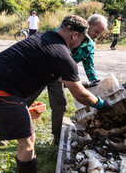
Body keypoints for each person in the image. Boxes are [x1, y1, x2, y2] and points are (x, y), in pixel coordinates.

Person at [0, 15, 110, 173]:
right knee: (27, 139)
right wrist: (101, 104)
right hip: (4, 92)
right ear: (74, 36)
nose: (82, 43)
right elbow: (80, 95)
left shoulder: (43, 36)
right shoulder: (64, 55)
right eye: (83, 39)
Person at [25, 14, 108, 145]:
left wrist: (94, 81)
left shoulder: (90, 45)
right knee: (26, 99)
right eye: (96, 31)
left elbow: (89, 64)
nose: (97, 35)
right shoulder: (68, 31)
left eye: (100, 33)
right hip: (43, 70)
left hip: (60, 76)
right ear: (89, 23)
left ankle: (57, 137)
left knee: (60, 104)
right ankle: (5, 133)